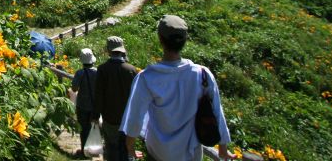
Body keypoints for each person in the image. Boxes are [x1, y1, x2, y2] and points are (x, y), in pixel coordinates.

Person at [121, 15, 232, 161]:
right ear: (185, 41)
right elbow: (217, 112)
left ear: (160, 39)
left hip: (159, 152)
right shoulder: (202, 74)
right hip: (192, 151)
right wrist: (223, 147)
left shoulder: (147, 78)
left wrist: (130, 147)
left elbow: (135, 117)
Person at [94, 36, 137, 161]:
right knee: (125, 148)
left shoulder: (102, 69)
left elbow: (99, 94)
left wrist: (95, 115)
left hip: (109, 117)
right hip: (127, 118)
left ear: (108, 50)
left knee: (111, 148)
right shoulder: (131, 69)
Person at [71, 48, 99, 157]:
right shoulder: (98, 72)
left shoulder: (80, 73)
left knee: (83, 128)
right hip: (95, 105)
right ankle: (92, 151)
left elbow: (74, 89)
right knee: (94, 128)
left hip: (82, 104)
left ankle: (83, 151)